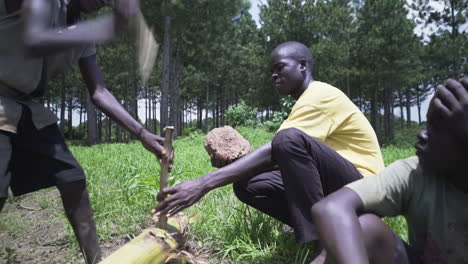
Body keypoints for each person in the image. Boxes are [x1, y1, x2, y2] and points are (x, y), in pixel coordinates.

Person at [154, 41, 384, 255]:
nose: (274, 75)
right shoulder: (305, 101)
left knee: (288, 138)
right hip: (342, 189)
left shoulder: (320, 96)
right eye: (272, 71)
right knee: (248, 184)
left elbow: (281, 147)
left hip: (363, 192)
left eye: (280, 67)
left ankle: (325, 246)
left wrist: (203, 184)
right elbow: (283, 158)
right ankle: (327, 230)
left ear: (302, 65)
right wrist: (236, 165)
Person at [0, 0, 169, 263]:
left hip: (26, 107)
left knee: (73, 177)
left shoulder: (80, 30)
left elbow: (99, 92)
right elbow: (35, 40)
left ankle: (96, 260)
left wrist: (142, 133)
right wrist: (111, 26)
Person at [311, 77, 468, 264]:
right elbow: (331, 208)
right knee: (364, 229)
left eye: (438, 129)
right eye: (427, 124)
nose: (422, 134)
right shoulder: (415, 172)